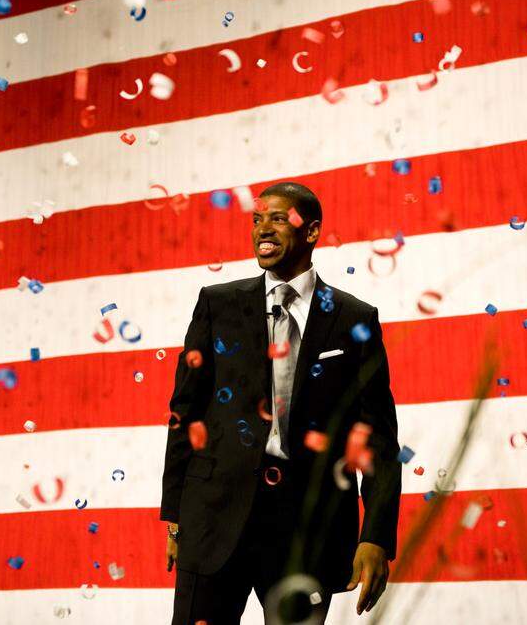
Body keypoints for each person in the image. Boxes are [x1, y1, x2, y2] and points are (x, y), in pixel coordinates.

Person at [161, 182, 401, 624]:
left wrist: (377, 536)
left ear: (311, 232)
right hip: (214, 518)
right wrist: (175, 516)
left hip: (306, 532)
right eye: (256, 219)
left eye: (277, 218)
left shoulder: (354, 318)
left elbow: (379, 436)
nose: (262, 230)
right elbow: (185, 411)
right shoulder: (218, 305)